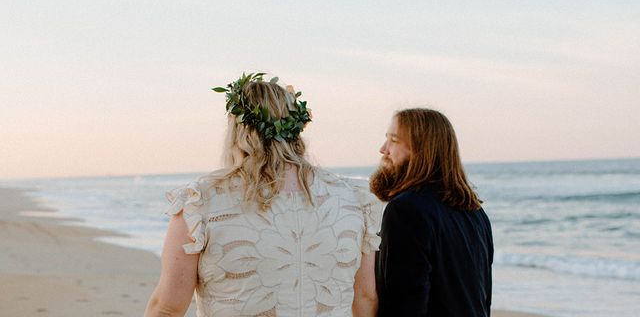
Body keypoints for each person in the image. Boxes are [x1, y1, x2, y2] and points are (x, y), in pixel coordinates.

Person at [145, 73, 382, 317]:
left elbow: (168, 307)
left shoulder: (201, 202)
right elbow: (365, 297)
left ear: (237, 130)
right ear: (296, 127)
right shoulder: (353, 200)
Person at [370, 108, 493, 317]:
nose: (383, 149)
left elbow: (404, 305)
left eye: (394, 140)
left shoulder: (405, 210)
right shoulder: (476, 213)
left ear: (420, 150)